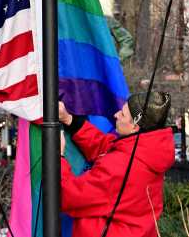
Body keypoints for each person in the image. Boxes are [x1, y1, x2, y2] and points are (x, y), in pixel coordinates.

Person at [58, 91, 175, 237]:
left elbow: (68, 196)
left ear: (135, 127)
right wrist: (69, 119)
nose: (116, 115)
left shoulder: (120, 165)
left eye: (123, 114)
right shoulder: (147, 151)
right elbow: (105, 146)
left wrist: (59, 157)